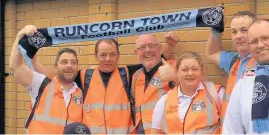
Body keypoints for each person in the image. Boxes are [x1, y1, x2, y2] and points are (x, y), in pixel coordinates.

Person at [32, 27, 179, 134]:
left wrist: (169, 47)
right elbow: (59, 73)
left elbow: (151, 60)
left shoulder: (128, 73)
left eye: (112, 54)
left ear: (118, 55)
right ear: (96, 55)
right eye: (103, 55)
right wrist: (33, 61)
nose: (108, 59)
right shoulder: (85, 76)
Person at [205, 11, 269, 127]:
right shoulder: (234, 61)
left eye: (244, 30)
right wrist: (216, 31)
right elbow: (212, 53)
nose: (239, 36)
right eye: (234, 32)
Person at [9, 25, 83, 134]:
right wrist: (20, 36)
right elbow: (16, 66)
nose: (69, 66)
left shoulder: (82, 93)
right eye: (64, 62)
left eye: (73, 62)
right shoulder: (41, 84)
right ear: (56, 67)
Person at [151, 51, 225, 134]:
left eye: (194, 69)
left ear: (202, 70)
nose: (190, 73)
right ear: (177, 72)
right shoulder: (165, 100)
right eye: (185, 70)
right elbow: (155, 132)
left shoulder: (216, 93)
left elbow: (230, 127)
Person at [130, 34, 178, 134]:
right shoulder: (136, 76)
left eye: (151, 45)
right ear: (136, 53)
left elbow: (195, 90)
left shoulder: (174, 67)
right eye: (142, 47)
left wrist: (175, 77)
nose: (147, 50)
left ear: (160, 48)